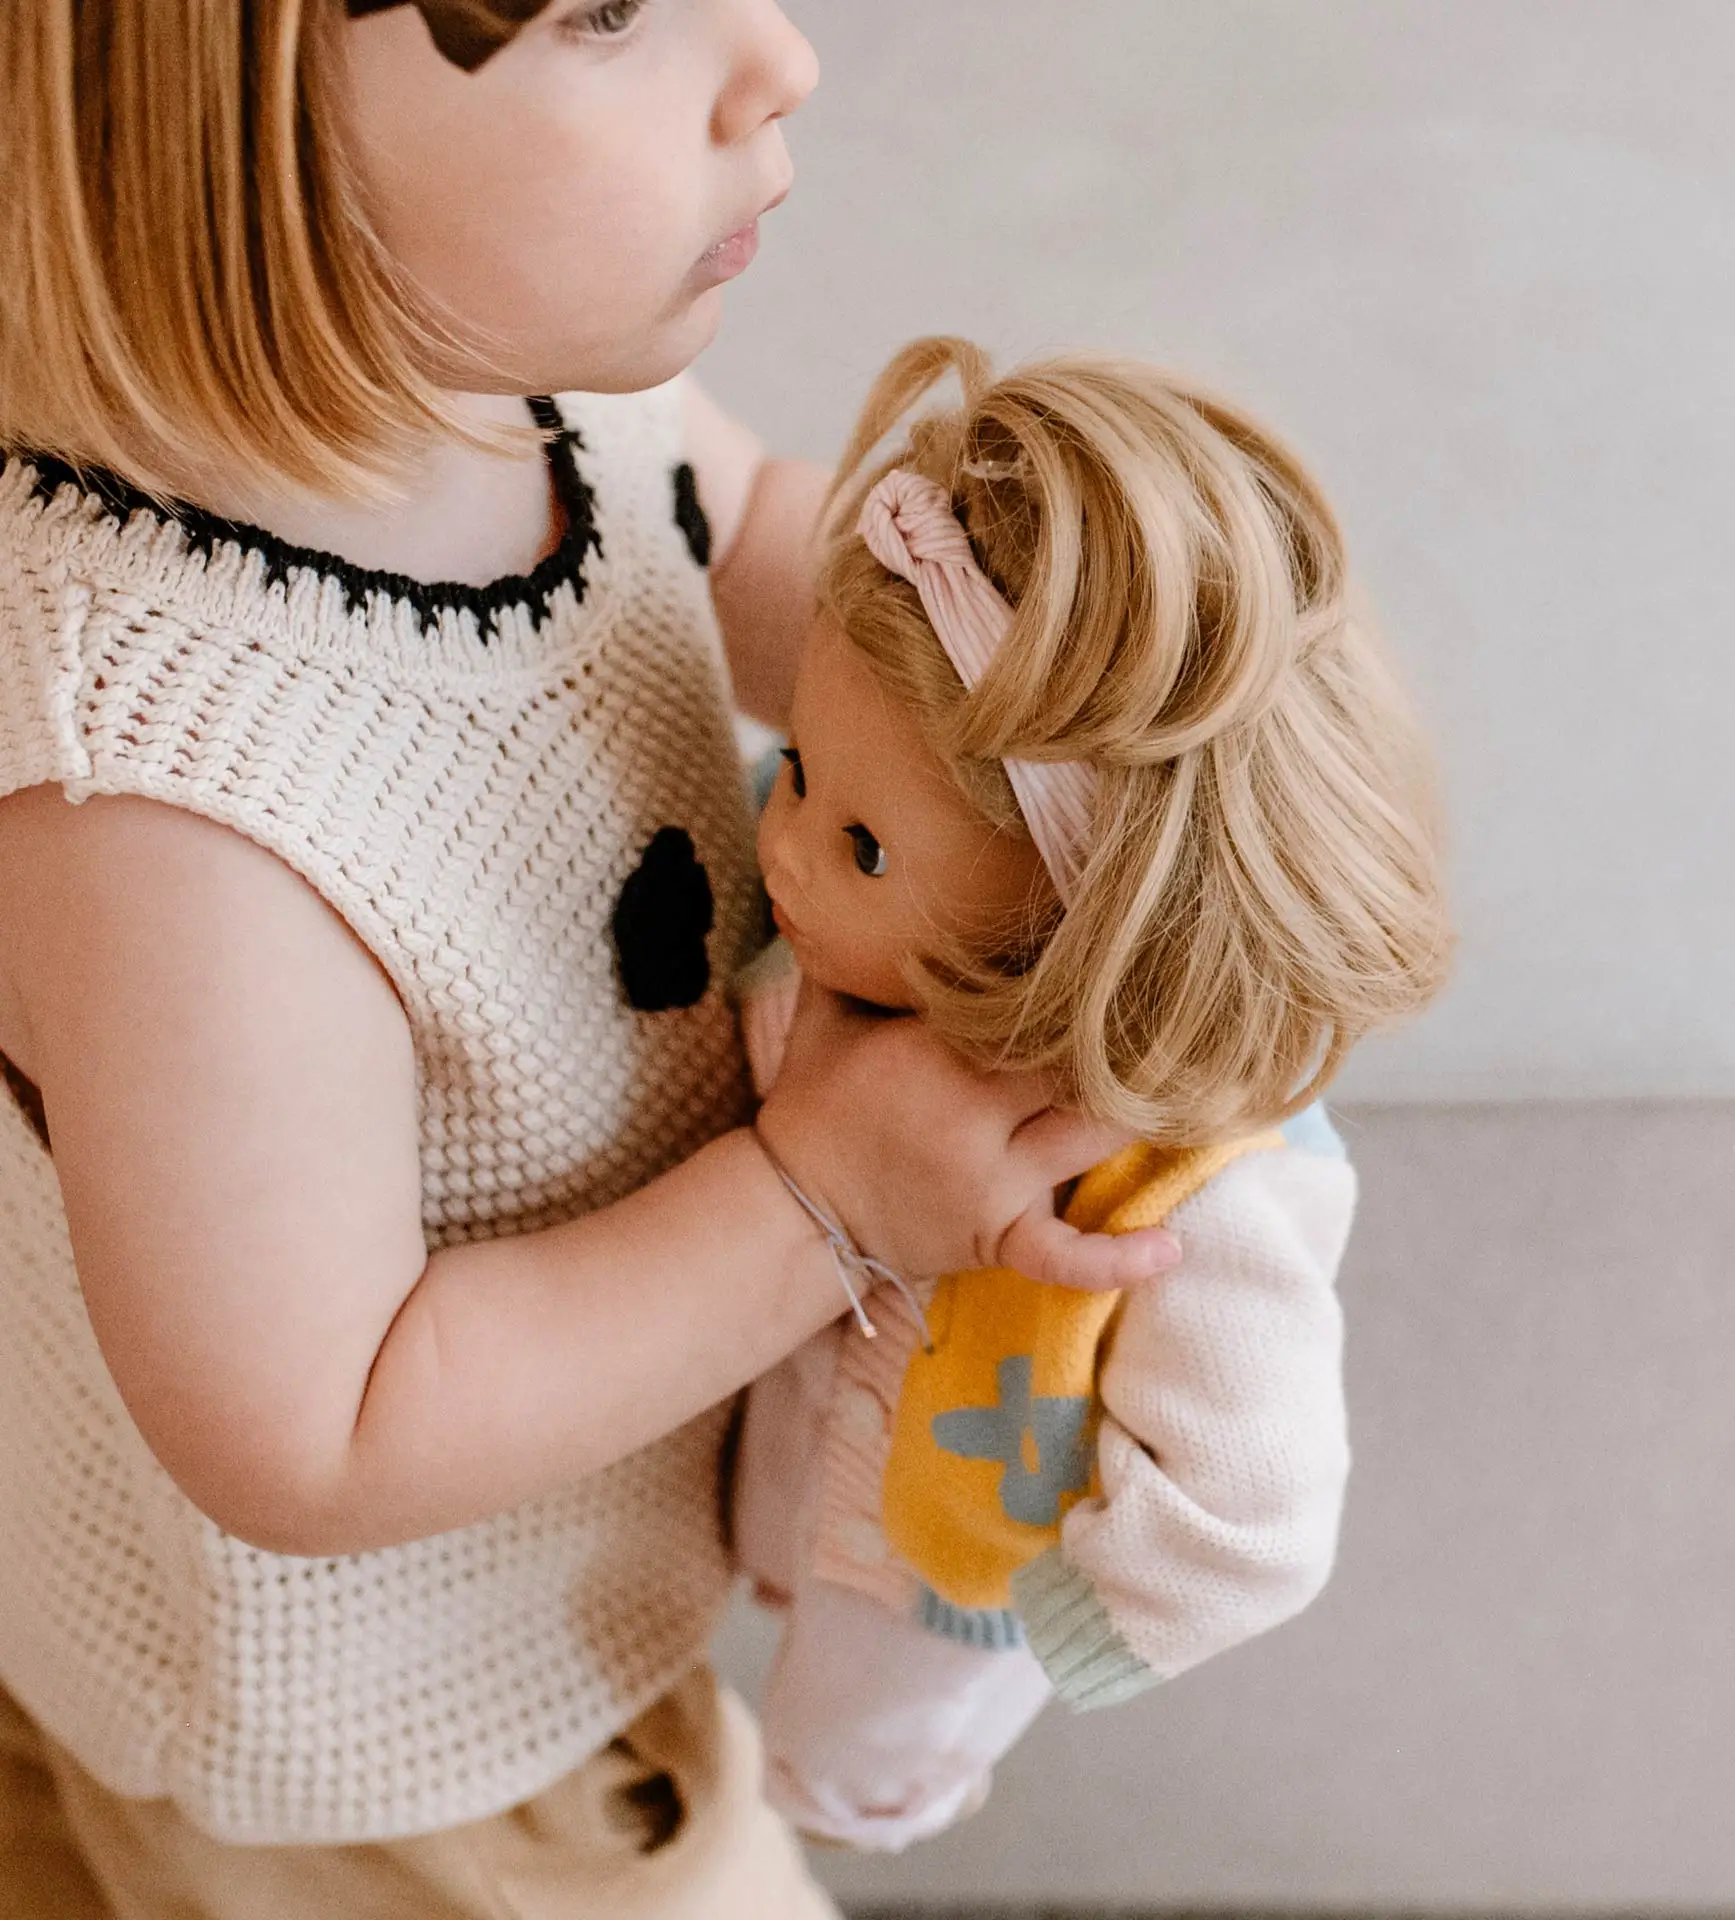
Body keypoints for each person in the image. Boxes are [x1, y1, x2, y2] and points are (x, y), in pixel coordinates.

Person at [0, 8, 1179, 1915]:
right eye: (609, 7)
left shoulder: (511, 374)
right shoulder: (163, 796)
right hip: (404, 1750)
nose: (778, 56)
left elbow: (764, 544)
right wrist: (826, 1196)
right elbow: (323, 1427)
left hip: (564, 1585)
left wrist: (1075, 731)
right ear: (221, 134)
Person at [729, 338, 1453, 1851]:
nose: (783, 845)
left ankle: (826, 1806)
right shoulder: (828, 942)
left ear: (1080, 924)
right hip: (769, 1425)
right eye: (798, 768)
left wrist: (1076, 1621)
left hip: (938, 1583)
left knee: (833, 1770)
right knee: (756, 1574)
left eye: (864, 848)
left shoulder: (1203, 1191)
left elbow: (1258, 1505)